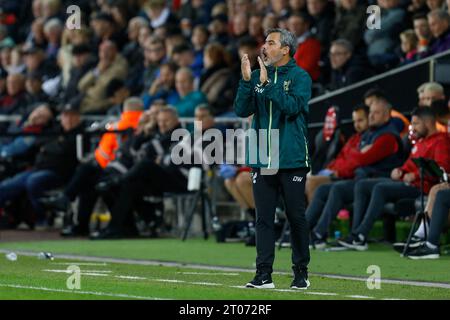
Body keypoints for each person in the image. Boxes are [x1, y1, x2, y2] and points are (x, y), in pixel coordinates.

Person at [234, 28, 312, 289]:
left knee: (295, 215)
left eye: (270, 43)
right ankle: (263, 274)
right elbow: (242, 109)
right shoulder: (256, 75)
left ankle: (301, 272)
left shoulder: (301, 77)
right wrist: (247, 82)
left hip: (290, 157)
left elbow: (292, 107)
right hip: (261, 156)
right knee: (263, 218)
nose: (264, 47)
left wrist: (267, 86)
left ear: (286, 49)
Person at [338, 107, 450, 251]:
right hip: (406, 182)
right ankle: (356, 233)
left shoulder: (440, 141)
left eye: (416, 123)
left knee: (380, 188)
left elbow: (442, 169)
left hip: (420, 186)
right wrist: (400, 170)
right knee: (362, 185)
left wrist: (414, 175)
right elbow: (409, 164)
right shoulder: (421, 141)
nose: (413, 127)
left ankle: (360, 236)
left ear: (428, 123)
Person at [0, 98, 84, 227]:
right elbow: (39, 144)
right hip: (37, 168)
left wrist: (48, 148)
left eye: (72, 116)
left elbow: (64, 152)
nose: (68, 119)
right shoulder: (54, 130)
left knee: (34, 181)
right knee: (6, 186)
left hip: (59, 173)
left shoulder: (80, 134)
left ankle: (42, 218)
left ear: (78, 117)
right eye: (65, 115)